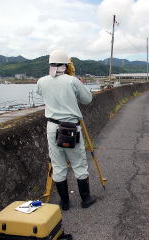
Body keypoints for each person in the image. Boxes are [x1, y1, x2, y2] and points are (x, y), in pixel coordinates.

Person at [37, 50, 96, 210]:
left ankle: (64, 203)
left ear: (50, 64)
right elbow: (87, 99)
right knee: (79, 164)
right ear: (67, 65)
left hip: (52, 126)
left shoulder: (41, 81)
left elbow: (41, 93)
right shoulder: (73, 81)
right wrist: (79, 83)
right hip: (70, 127)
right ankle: (85, 199)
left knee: (58, 165)